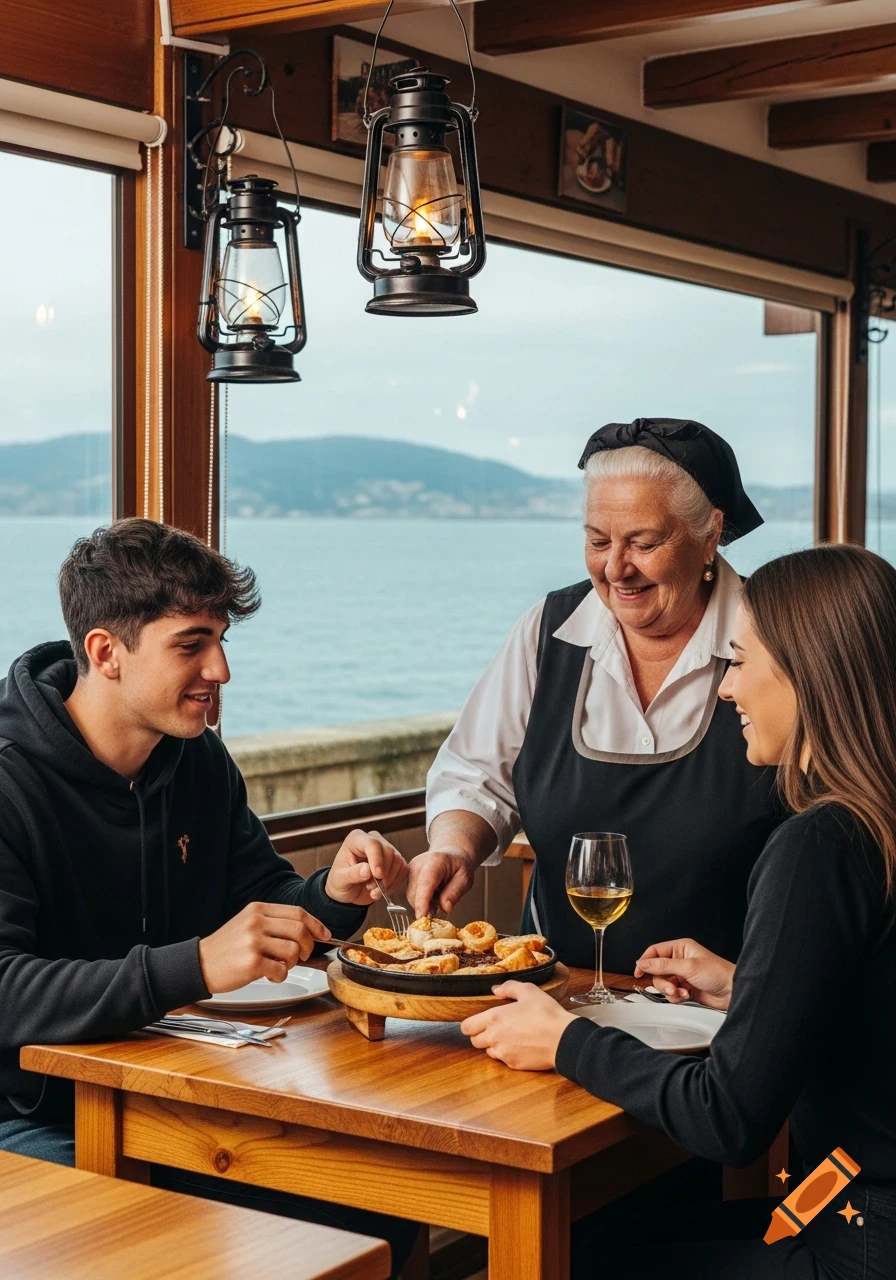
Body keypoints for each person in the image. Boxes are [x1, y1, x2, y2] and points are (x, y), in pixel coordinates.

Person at [460, 544, 896, 1279]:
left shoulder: (817, 845)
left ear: (807, 674)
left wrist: (565, 1040)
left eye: (741, 659)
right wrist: (747, 986)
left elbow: (728, 1120)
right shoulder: (873, 823)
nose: (728, 689)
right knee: (597, 1243)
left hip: (855, 1242)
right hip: (854, 1214)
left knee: (574, 1259)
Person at [0, 518, 417, 1276]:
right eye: (191, 644)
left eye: (221, 640)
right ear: (105, 653)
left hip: (181, 1093)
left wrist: (333, 895)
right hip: (30, 1118)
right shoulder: (7, 779)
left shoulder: (195, 758)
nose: (220, 669)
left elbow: (263, 896)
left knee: (381, 1212)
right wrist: (193, 964)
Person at [409, 418, 783, 974]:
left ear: (710, 533)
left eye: (644, 543)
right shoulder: (549, 629)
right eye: (597, 540)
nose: (615, 568)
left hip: (726, 1013)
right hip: (557, 1001)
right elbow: (476, 773)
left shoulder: (774, 639)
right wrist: (454, 847)